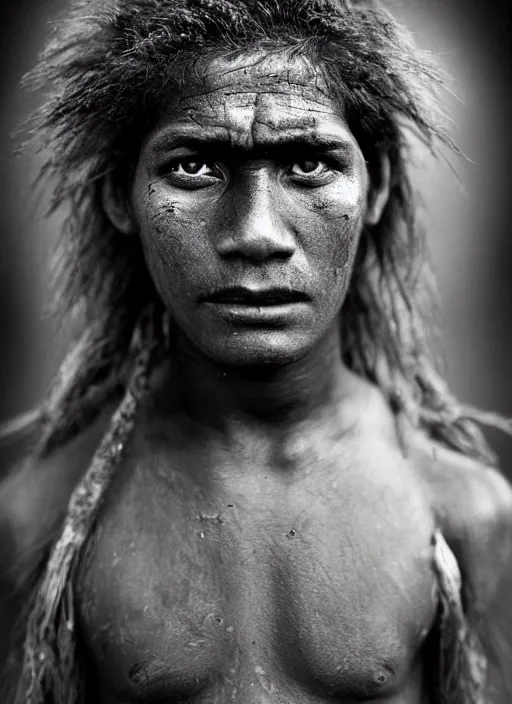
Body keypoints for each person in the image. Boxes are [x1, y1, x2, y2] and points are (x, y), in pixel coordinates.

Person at [1, 0, 511, 702]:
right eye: (194, 166)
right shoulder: (41, 524)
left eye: (307, 162)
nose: (257, 233)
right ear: (119, 194)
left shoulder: (461, 519)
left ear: (378, 187)